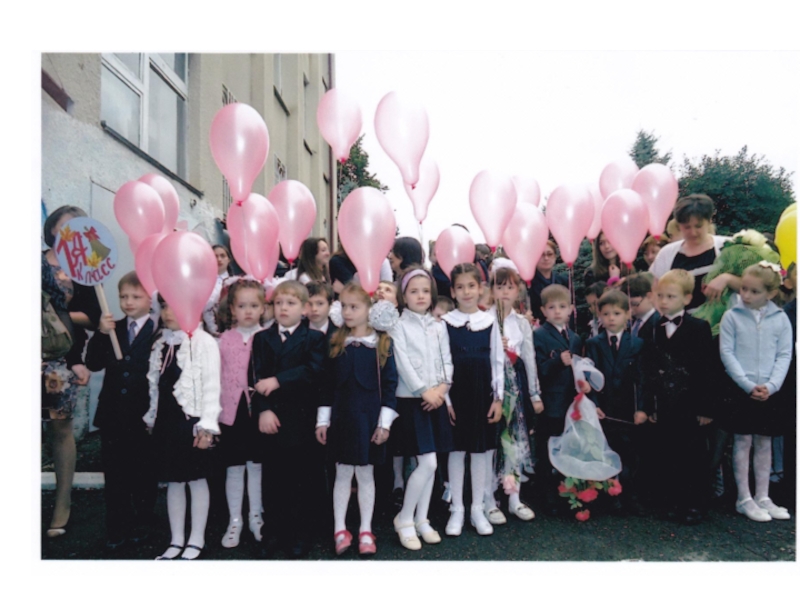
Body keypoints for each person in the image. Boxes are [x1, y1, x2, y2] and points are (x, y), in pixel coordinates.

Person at [316, 284, 399, 556]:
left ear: (369, 310)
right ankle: (340, 528)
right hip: (342, 419)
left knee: (365, 474)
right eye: (344, 306)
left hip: (369, 421)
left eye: (354, 307)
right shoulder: (336, 342)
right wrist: (322, 420)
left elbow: (390, 386)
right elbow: (327, 385)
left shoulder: (382, 344)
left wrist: (384, 424)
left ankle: (365, 529)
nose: (348, 312)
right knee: (341, 473)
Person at [250, 280, 327, 558]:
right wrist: (263, 409)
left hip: (300, 419)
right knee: (273, 478)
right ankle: (273, 532)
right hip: (271, 418)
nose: (283, 308)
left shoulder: (314, 338)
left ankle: (299, 534)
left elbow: (313, 371)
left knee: (300, 479)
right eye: (279, 303)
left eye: (291, 303)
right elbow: (255, 376)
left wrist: (279, 380)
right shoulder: (262, 338)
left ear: (305, 309)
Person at [85, 272, 158, 549]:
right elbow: (93, 363)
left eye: (136, 297)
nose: (128, 302)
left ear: (150, 299)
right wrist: (101, 334)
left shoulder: (159, 331)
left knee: (144, 471)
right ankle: (117, 524)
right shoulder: (111, 328)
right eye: (123, 296)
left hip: (142, 415)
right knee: (115, 473)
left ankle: (143, 520)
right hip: (113, 415)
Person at [145, 295, 221, 559]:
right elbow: (154, 384)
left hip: (191, 423)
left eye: (175, 306)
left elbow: (212, 386)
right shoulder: (162, 342)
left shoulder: (204, 342)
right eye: (165, 306)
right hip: (167, 421)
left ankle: (196, 538)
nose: (168, 312)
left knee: (196, 479)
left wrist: (207, 426)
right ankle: (176, 538)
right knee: (174, 481)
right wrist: (151, 417)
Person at [41, 205, 101, 538]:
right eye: (65, 226)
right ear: (52, 229)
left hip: (61, 361)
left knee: (60, 431)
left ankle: (62, 504)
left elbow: (94, 318)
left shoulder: (83, 270)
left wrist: (53, 311)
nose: (70, 233)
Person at [718, 263, 793, 522]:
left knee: (764, 441)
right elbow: (727, 352)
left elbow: (784, 354)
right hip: (743, 389)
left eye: (754, 291)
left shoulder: (780, 318)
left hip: (769, 390)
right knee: (743, 440)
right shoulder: (732, 316)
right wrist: (747, 384)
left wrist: (772, 386)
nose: (746, 295)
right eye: (744, 289)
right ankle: (744, 497)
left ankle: (763, 496)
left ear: (771, 293)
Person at [640, 270, 716, 524]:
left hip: (690, 404)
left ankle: (694, 504)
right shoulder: (652, 329)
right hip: (664, 403)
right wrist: (649, 405)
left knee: (692, 455)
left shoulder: (698, 328)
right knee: (667, 451)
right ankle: (671, 500)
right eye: (660, 295)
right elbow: (648, 370)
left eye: (671, 296)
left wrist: (706, 408)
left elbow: (707, 370)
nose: (663, 301)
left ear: (687, 298)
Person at [389, 266, 454, 550]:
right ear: (403, 296)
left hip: (435, 399)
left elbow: (447, 361)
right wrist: (423, 390)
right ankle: (404, 519)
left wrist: (441, 389)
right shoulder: (398, 325)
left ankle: (421, 519)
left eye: (425, 291)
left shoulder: (439, 326)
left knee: (430, 463)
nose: (420, 296)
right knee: (427, 463)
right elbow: (402, 362)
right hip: (412, 401)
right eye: (413, 291)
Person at [440, 263, 504, 536]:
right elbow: (442, 363)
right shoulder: (445, 323)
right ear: (452, 291)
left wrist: (498, 398)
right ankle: (457, 509)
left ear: (480, 289)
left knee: (480, 452)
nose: (466, 292)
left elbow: (497, 362)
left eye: (471, 286)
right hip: (456, 395)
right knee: (456, 451)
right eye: (460, 287)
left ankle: (477, 508)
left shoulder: (489, 322)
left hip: (482, 394)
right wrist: (447, 401)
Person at [486, 259, 541, 522]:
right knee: (492, 441)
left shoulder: (521, 323)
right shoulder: (484, 319)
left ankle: (514, 497)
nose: (505, 292)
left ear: (517, 291)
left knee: (515, 438)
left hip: (516, 385)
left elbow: (529, 358)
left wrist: (534, 393)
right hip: (492, 387)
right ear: (491, 290)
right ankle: (488, 498)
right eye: (499, 287)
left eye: (510, 287)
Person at [584, 289, 647, 515]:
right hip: (604, 408)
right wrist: (593, 404)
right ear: (599, 315)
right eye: (606, 313)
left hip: (628, 409)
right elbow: (587, 377)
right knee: (606, 450)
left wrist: (641, 409)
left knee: (630, 453)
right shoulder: (593, 344)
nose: (611, 318)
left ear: (628, 314)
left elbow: (642, 379)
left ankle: (631, 495)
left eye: (617, 313)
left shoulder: (637, 344)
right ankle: (610, 496)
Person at [217, 279, 267, 549]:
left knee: (256, 464)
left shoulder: (267, 337)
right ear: (232, 309)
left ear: (263, 308)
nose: (248, 311)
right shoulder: (223, 340)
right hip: (231, 412)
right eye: (242, 306)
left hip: (257, 412)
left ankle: (256, 516)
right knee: (234, 466)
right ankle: (234, 519)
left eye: (254, 305)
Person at [533, 284, 583, 514]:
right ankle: (546, 495)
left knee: (567, 447)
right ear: (543, 311)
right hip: (550, 402)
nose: (557, 311)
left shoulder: (575, 337)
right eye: (552, 307)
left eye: (562, 306)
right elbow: (538, 369)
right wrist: (556, 362)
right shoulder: (539, 335)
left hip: (571, 402)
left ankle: (567, 491)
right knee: (547, 449)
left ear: (571, 309)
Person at [649, 194, 737, 312]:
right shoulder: (667, 253)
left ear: (709, 221)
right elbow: (654, 291)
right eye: (687, 227)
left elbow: (754, 286)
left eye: (698, 226)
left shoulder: (728, 246)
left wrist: (727, 279)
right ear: (679, 225)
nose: (693, 232)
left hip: (724, 321)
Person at [528, 240, 569, 325]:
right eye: (541, 255)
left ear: (555, 257)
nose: (546, 258)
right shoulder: (528, 284)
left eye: (550, 254)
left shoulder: (564, 281)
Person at [203, 244, 233, 335]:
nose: (219, 259)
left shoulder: (234, 283)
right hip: (205, 329)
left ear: (229, 259)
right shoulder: (201, 283)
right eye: (215, 256)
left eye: (222, 256)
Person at [626, 273, 659, 340]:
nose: (630, 309)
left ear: (649, 296)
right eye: (627, 305)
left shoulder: (657, 323)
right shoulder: (629, 321)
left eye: (634, 304)